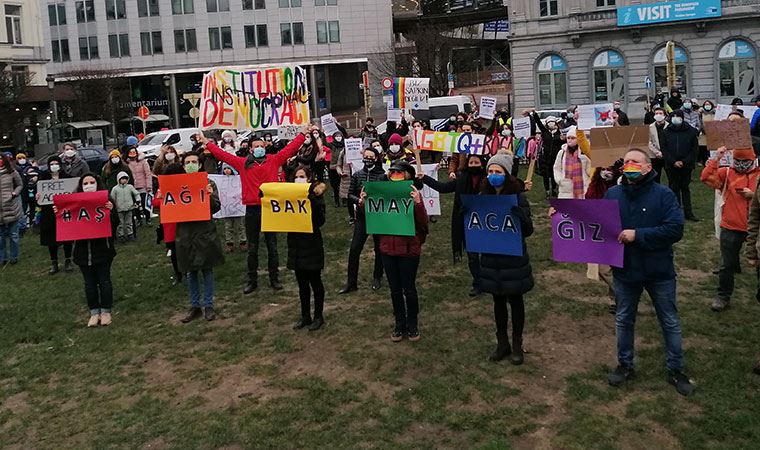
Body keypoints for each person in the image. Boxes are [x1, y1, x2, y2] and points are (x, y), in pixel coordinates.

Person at [604, 148, 694, 396]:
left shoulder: (664, 195)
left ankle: (675, 369)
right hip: (625, 270)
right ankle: (625, 365)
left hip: (659, 271)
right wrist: (562, 216)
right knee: (624, 319)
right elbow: (596, 224)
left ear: (647, 167)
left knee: (669, 320)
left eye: (635, 161)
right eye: (627, 162)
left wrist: (638, 235)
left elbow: (675, 230)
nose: (629, 165)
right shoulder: (613, 193)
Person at [199, 127, 308, 294]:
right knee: (252, 247)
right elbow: (223, 155)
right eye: (256, 146)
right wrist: (207, 142)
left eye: (262, 146)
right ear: (250, 149)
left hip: (270, 208)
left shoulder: (274, 160)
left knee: (272, 246)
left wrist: (303, 134)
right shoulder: (243, 163)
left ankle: (274, 278)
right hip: (252, 210)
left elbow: (290, 149)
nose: (259, 148)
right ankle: (252, 280)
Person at [475, 154, 533, 364]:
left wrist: (521, 217)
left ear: (506, 174)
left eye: (498, 172)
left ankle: (517, 344)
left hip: (513, 259)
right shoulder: (482, 196)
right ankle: (502, 343)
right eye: (490, 172)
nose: (493, 176)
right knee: (497, 301)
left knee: (516, 301)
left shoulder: (518, 197)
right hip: (492, 258)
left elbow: (528, 231)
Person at [360, 160, 428, 341]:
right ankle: (400, 324)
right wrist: (362, 203)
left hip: (408, 250)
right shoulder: (382, 193)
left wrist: (418, 204)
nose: (395, 176)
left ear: (408, 176)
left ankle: (412, 325)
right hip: (387, 250)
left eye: (399, 173)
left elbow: (423, 224)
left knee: (409, 289)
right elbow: (370, 217)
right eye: (392, 173)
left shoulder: (414, 194)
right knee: (395, 290)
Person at [419, 151, 486, 296]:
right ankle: (478, 283)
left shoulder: (489, 178)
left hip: (485, 221)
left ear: (482, 164)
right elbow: (443, 188)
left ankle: (491, 281)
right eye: (471, 163)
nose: (474, 165)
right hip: (467, 222)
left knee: (488, 255)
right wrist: (425, 178)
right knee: (473, 255)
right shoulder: (461, 179)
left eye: (477, 162)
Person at [701, 146, 760, 311]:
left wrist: (753, 195)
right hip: (731, 226)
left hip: (756, 230)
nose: (741, 164)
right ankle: (723, 296)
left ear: (753, 159)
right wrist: (716, 159)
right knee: (726, 265)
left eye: (745, 161)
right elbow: (705, 177)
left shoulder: (759, 175)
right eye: (738, 161)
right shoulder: (726, 173)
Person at [174, 151, 224, 323]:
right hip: (185, 233)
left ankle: (208, 305)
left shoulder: (208, 183)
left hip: (204, 232)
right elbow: (168, 208)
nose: (191, 165)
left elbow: (216, 207)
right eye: (187, 162)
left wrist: (209, 196)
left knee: (207, 269)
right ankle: (195, 306)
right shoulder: (176, 184)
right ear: (183, 165)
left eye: (194, 161)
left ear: (200, 164)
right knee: (191, 272)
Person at [71, 174, 118, 327]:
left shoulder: (107, 201)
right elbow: (66, 223)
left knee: (104, 281)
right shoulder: (74, 203)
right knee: (89, 284)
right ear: (81, 186)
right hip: (82, 252)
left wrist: (111, 211)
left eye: (92, 182)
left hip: (103, 250)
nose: (89, 185)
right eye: (86, 183)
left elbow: (115, 224)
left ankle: (105, 311)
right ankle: (93, 312)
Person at [340, 146, 387, 294]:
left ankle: (377, 277)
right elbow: (350, 194)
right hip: (362, 216)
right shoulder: (357, 175)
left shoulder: (383, 176)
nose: (367, 159)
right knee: (354, 249)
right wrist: (358, 200)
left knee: (379, 249)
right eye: (365, 156)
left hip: (378, 218)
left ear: (376, 158)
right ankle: (351, 282)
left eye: (370, 156)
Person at [288, 166, 327, 331]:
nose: (299, 179)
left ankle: (318, 316)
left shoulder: (316, 196)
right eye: (296, 176)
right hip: (295, 244)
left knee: (315, 282)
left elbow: (320, 221)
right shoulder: (289, 196)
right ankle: (305, 316)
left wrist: (312, 199)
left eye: (302, 176)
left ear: (309, 178)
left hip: (311, 243)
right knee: (302, 284)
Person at [586, 159, 625, 313]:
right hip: (601, 231)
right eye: (603, 168)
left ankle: (617, 299)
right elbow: (587, 202)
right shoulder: (595, 185)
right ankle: (621, 294)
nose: (606, 172)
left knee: (618, 267)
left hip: (620, 231)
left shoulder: (623, 185)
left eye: (610, 169)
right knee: (603, 268)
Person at [661, 110, 700, 221]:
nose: (676, 118)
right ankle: (676, 212)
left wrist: (685, 161)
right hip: (671, 165)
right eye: (674, 116)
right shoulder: (666, 132)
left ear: (682, 118)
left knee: (685, 188)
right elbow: (664, 149)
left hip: (686, 165)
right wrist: (673, 161)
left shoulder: (691, 131)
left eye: (678, 116)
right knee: (674, 188)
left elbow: (694, 149)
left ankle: (689, 212)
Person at [38, 156, 73, 274]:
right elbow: (39, 197)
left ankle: (68, 260)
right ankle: (54, 262)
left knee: (67, 236)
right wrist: (38, 197)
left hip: (64, 211)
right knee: (51, 237)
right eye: (51, 164)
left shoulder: (67, 177)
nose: (54, 166)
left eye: (56, 163)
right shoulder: (44, 178)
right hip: (48, 212)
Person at [553, 126, 591, 199]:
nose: (570, 140)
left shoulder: (584, 153)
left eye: (573, 138)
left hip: (582, 188)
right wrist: (559, 180)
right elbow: (557, 168)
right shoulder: (562, 153)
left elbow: (589, 170)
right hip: (565, 188)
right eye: (568, 138)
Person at [533, 113, 564, 197]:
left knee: (554, 174)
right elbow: (538, 122)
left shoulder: (560, 133)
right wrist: (534, 114)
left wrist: (562, 139)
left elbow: (563, 143)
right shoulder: (545, 132)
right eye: (549, 122)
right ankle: (547, 190)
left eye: (552, 122)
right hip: (545, 157)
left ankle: (554, 189)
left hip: (555, 157)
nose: (551, 124)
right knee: (545, 175)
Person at [0, 152, 23, 265]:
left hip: (11, 207)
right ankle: (2, 258)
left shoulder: (12, 172)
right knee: (1, 237)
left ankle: (14, 257)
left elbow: (20, 184)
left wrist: (14, 193)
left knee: (14, 235)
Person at [219, 164, 246, 253]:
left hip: (238, 208)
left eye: (229, 168)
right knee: (228, 226)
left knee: (240, 226)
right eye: (225, 169)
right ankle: (229, 243)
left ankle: (243, 242)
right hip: (227, 209)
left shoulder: (238, 179)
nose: (226, 170)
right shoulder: (221, 181)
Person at [125, 147, 153, 226]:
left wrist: (149, 186)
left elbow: (148, 174)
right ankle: (139, 219)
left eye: (134, 152)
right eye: (130, 152)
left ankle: (148, 218)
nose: (133, 154)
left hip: (143, 186)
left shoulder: (143, 161)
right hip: (132, 187)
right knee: (135, 205)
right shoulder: (126, 163)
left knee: (145, 203)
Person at [110, 171, 140, 243]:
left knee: (129, 222)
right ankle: (121, 235)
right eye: (122, 179)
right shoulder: (115, 189)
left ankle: (130, 234)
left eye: (125, 179)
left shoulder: (130, 187)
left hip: (129, 208)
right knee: (120, 223)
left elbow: (136, 193)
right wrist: (113, 206)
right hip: (119, 209)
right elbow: (112, 198)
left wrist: (137, 201)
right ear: (118, 180)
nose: (124, 180)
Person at [647, 106, 669, 184]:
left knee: (670, 176)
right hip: (654, 155)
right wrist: (656, 152)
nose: (658, 115)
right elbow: (649, 142)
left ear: (665, 115)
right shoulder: (650, 127)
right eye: (656, 113)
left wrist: (664, 152)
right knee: (655, 176)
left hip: (667, 155)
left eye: (660, 113)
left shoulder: (669, 126)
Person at [335, 141, 353, 223]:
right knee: (349, 198)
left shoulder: (361, 151)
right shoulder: (343, 152)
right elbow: (338, 165)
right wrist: (340, 172)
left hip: (357, 177)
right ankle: (352, 216)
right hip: (346, 178)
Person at [327, 131, 344, 208]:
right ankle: (337, 201)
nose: (338, 137)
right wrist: (323, 134)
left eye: (339, 136)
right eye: (336, 136)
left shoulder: (345, 145)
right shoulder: (332, 145)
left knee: (343, 185)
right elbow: (324, 143)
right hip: (333, 167)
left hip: (343, 167)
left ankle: (344, 200)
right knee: (335, 186)